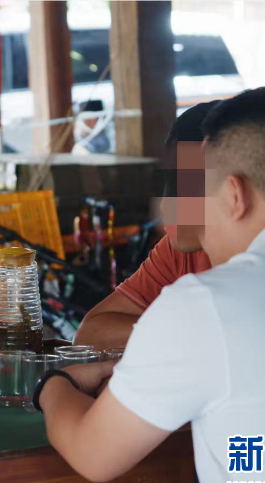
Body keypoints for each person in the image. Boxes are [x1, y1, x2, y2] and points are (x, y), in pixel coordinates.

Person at [37, 87, 265, 483]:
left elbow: (92, 454)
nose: (185, 212)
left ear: (234, 195)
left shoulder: (207, 304)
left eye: (199, 194)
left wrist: (53, 384)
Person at [74, 102, 216, 349]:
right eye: (170, 183)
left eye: (185, 185)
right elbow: (90, 333)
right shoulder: (179, 250)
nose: (164, 205)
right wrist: (190, 332)